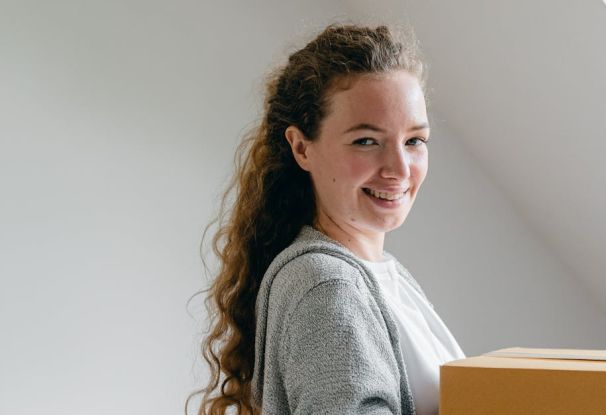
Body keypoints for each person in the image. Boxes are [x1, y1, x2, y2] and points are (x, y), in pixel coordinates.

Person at [188, 23, 466, 415]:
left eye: (414, 141)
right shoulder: (326, 284)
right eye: (366, 141)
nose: (400, 168)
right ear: (302, 148)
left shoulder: (384, 277)